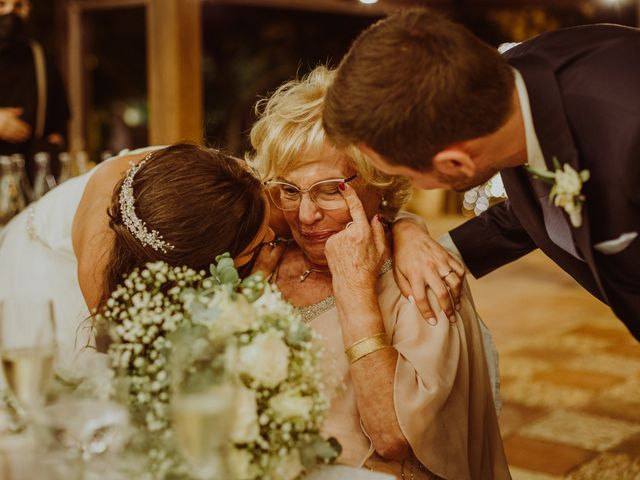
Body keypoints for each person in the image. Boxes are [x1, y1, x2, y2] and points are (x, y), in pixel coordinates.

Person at [248, 66, 510, 479]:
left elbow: (393, 437)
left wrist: (355, 289)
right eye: (290, 190)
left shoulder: (420, 282)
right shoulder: (263, 252)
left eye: (331, 189)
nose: (306, 214)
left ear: (379, 181)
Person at [323, 9, 640, 341]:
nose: (412, 186)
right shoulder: (502, 87)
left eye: (407, 176)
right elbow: (540, 202)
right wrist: (423, 244)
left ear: (456, 163)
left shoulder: (629, 140)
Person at [0, 144, 274, 368]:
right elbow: (138, 365)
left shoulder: (226, 179)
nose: (272, 237)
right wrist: (254, 283)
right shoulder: (101, 273)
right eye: (254, 246)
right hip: (41, 268)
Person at [0, 0, 70, 182]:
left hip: (28, 181)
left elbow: (59, 121)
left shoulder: (39, 58)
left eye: (19, 6)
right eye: (1, 4)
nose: (10, 13)